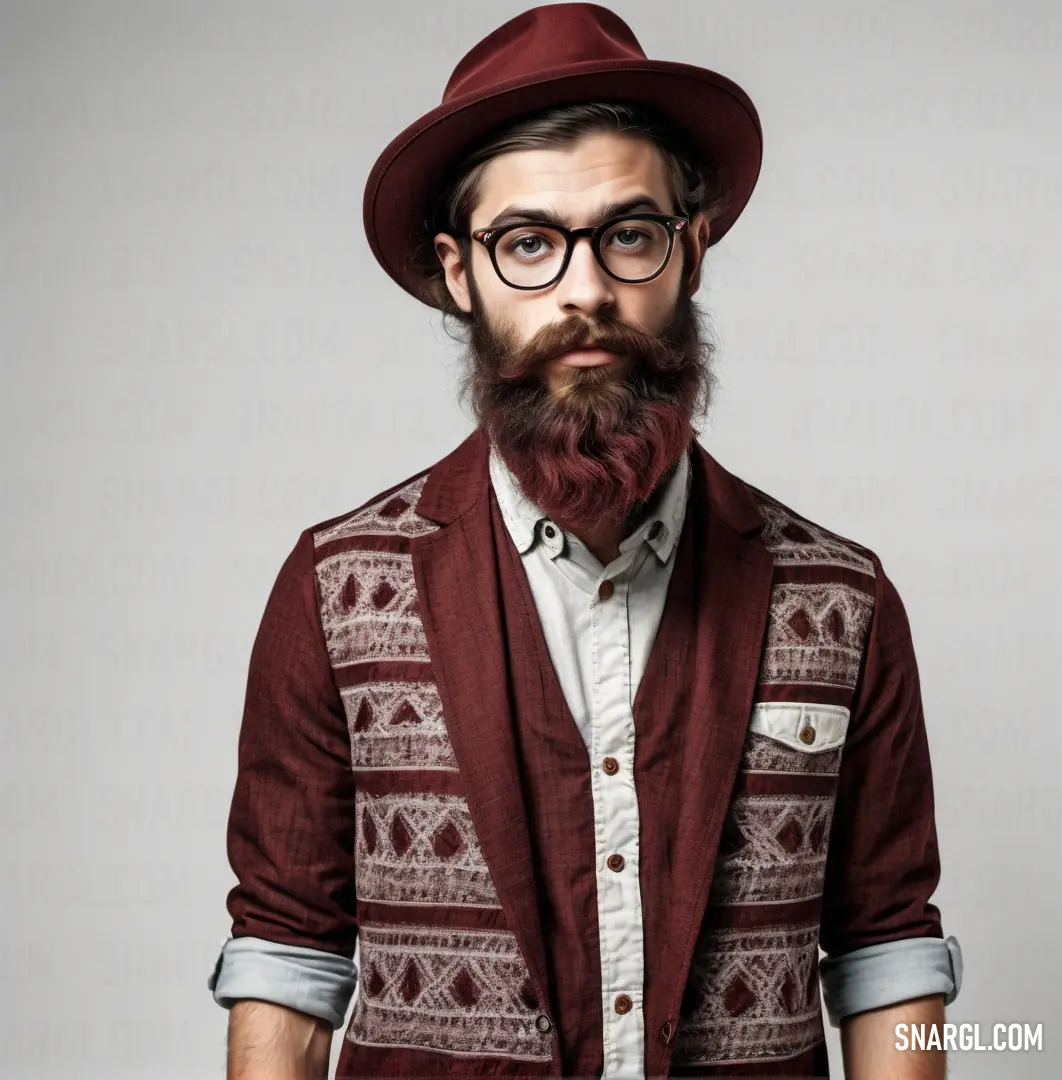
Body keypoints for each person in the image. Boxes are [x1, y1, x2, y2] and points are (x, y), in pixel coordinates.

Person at [207, 5, 962, 1077]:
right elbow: (286, 954)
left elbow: (890, 949)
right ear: (457, 272)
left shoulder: (841, 600)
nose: (585, 291)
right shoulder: (337, 591)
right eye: (527, 244)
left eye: (629, 234)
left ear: (690, 250)